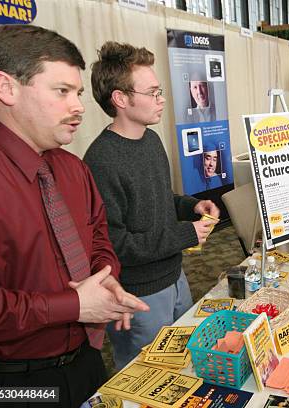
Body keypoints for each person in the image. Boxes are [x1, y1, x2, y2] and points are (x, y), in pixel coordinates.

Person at [0, 26, 148, 407]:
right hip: (14, 385)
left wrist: (105, 280)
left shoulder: (73, 169)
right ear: (6, 88)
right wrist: (74, 306)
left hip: (87, 361)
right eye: (62, 92)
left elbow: (98, 238)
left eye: (77, 93)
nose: (78, 106)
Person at [84, 42, 219, 369]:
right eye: (153, 92)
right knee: (147, 375)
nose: (161, 100)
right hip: (137, 295)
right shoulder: (101, 161)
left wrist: (191, 206)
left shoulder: (151, 139)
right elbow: (116, 244)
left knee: (185, 365)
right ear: (120, 99)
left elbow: (161, 200)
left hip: (176, 278)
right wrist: (186, 235)